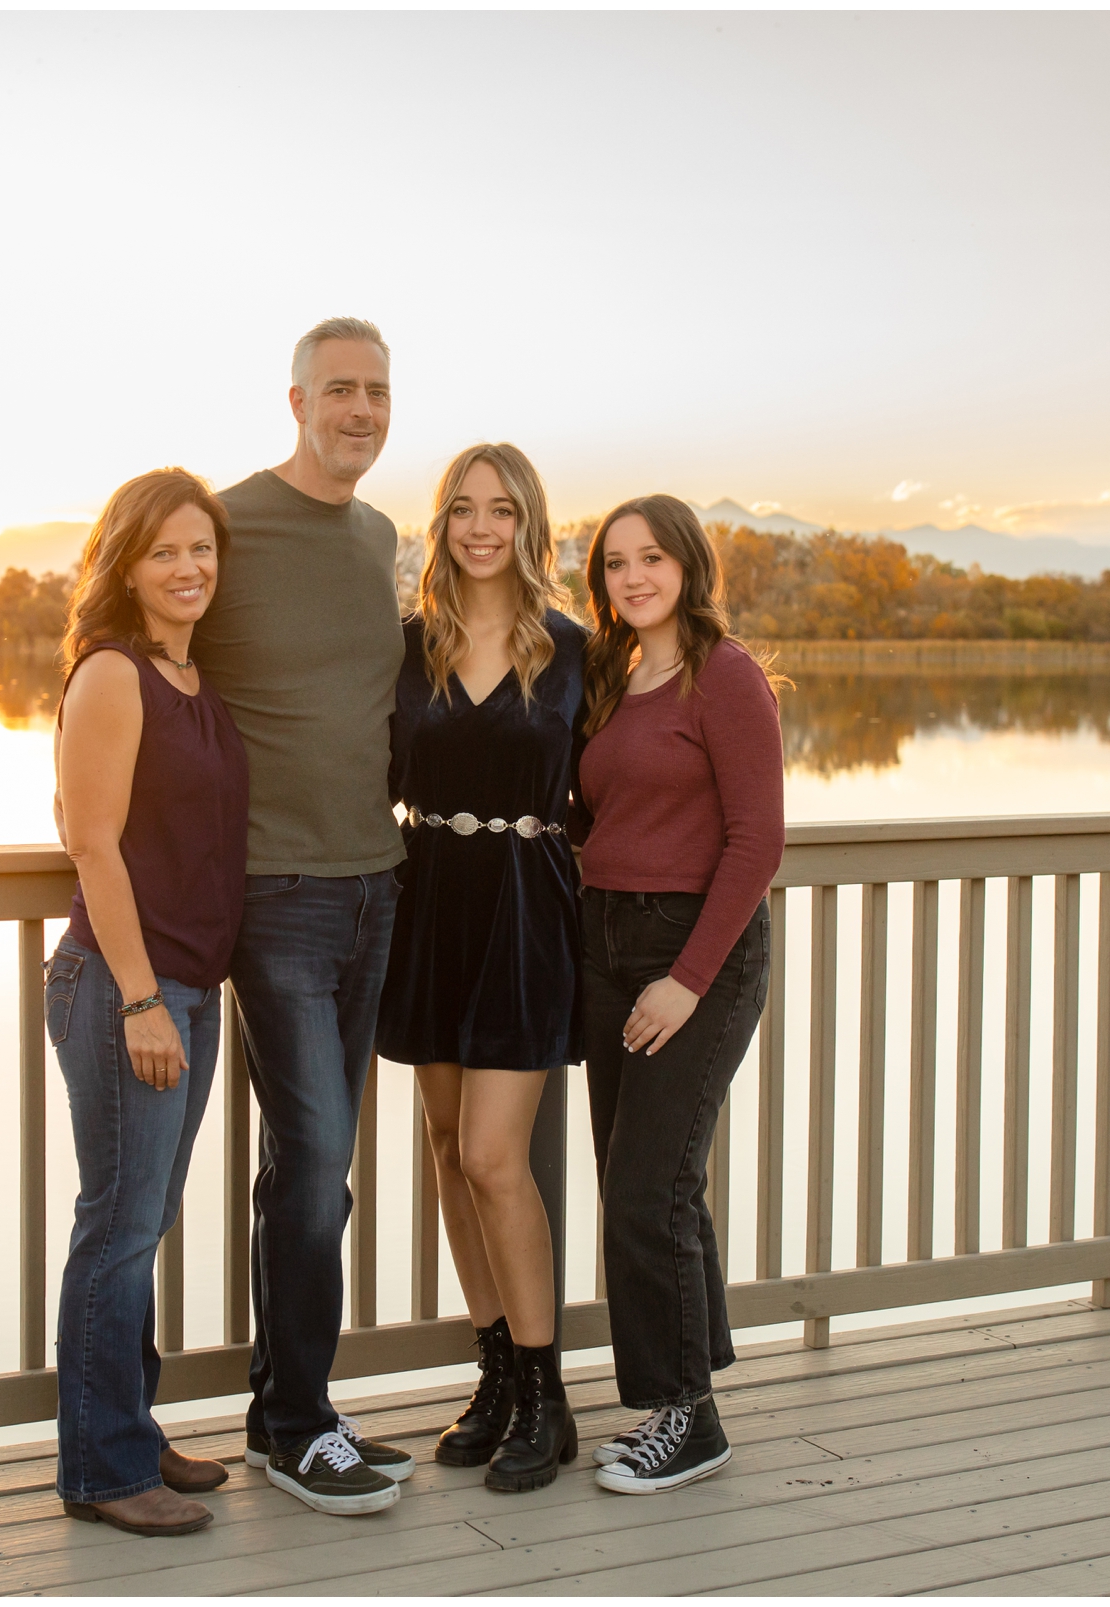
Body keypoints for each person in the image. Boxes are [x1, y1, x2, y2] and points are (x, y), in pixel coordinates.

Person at [191, 318, 415, 1516]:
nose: (361, 410)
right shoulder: (225, 526)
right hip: (276, 894)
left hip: (377, 882)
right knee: (316, 1156)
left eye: (378, 391)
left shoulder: (379, 532)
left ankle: (291, 1413)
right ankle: (294, 1422)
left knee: (311, 1168)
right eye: (340, 390)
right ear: (295, 399)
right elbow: (146, 661)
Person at [374, 443, 586, 1492]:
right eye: (462, 508)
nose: (480, 527)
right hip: (428, 905)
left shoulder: (580, 652)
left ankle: (548, 1396)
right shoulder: (408, 647)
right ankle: (495, 1369)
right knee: (452, 1148)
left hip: (526, 912)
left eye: (501, 510)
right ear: (443, 523)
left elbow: (627, 788)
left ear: (528, 524)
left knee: (500, 1156)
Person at [46, 468, 250, 1537]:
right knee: (118, 1227)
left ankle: (131, 1423)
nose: (188, 568)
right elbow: (91, 842)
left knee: (142, 1220)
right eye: (166, 550)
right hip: (128, 986)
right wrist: (139, 999)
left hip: (187, 987)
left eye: (203, 549)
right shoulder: (113, 675)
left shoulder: (191, 678)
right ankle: (101, 1465)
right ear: (126, 563)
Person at [573, 493, 785, 1495]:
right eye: (615, 563)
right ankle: (682, 1395)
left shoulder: (725, 674)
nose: (633, 577)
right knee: (654, 1179)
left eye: (651, 557)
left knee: (642, 1186)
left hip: (695, 949)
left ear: (688, 566)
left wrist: (688, 979)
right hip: (608, 942)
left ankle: (689, 1420)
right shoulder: (615, 676)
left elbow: (756, 841)